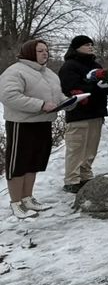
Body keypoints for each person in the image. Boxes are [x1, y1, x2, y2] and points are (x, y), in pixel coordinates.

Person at [0, 40, 65, 218]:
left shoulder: (49, 73)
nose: (45, 54)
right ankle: (16, 202)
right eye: (40, 51)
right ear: (29, 52)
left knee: (33, 162)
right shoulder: (15, 71)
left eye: (46, 50)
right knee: (19, 164)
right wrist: (41, 105)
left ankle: (27, 197)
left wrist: (68, 102)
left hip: (43, 123)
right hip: (22, 124)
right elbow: (9, 96)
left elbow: (57, 96)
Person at [58, 35, 108, 193]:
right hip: (79, 113)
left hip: (96, 111)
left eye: (91, 44)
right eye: (86, 45)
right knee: (77, 147)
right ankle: (72, 179)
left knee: (91, 148)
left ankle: (85, 175)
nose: (90, 47)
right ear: (76, 47)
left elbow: (105, 85)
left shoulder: (95, 65)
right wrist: (97, 88)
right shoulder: (70, 66)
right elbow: (71, 87)